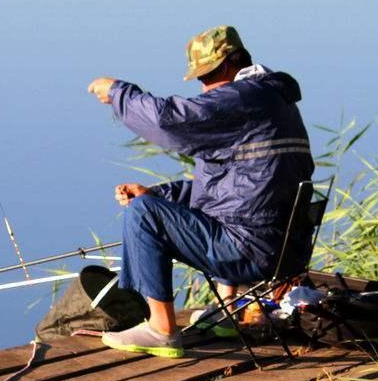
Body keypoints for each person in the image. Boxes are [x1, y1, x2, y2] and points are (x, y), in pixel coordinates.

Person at [85, 25, 314, 357]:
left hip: (250, 251)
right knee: (152, 205)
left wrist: (120, 93)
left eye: (207, 77)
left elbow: (170, 121)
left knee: (142, 215)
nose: (204, 88)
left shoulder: (243, 98)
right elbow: (230, 186)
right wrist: (157, 194)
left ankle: (162, 330)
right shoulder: (275, 102)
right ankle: (229, 309)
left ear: (228, 64)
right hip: (285, 251)